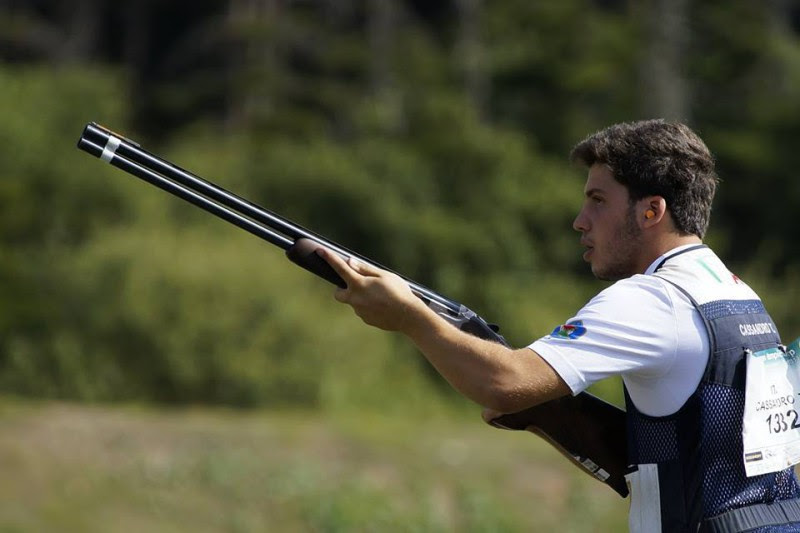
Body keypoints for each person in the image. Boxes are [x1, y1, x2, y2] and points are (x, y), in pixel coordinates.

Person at [317, 119, 800, 532]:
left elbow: (504, 382)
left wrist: (409, 318)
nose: (579, 221)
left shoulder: (652, 299)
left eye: (598, 201)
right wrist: (550, 418)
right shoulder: (734, 292)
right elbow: (693, 451)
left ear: (652, 211)